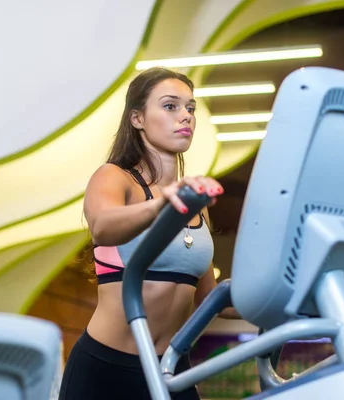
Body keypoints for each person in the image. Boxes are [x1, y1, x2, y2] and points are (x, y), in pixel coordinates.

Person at [58, 67, 239, 400]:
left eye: (190, 108)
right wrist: (161, 207)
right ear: (137, 118)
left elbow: (209, 300)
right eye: (170, 106)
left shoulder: (196, 203)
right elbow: (102, 226)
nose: (185, 116)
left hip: (171, 369)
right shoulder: (114, 178)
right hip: (107, 367)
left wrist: (281, 296)